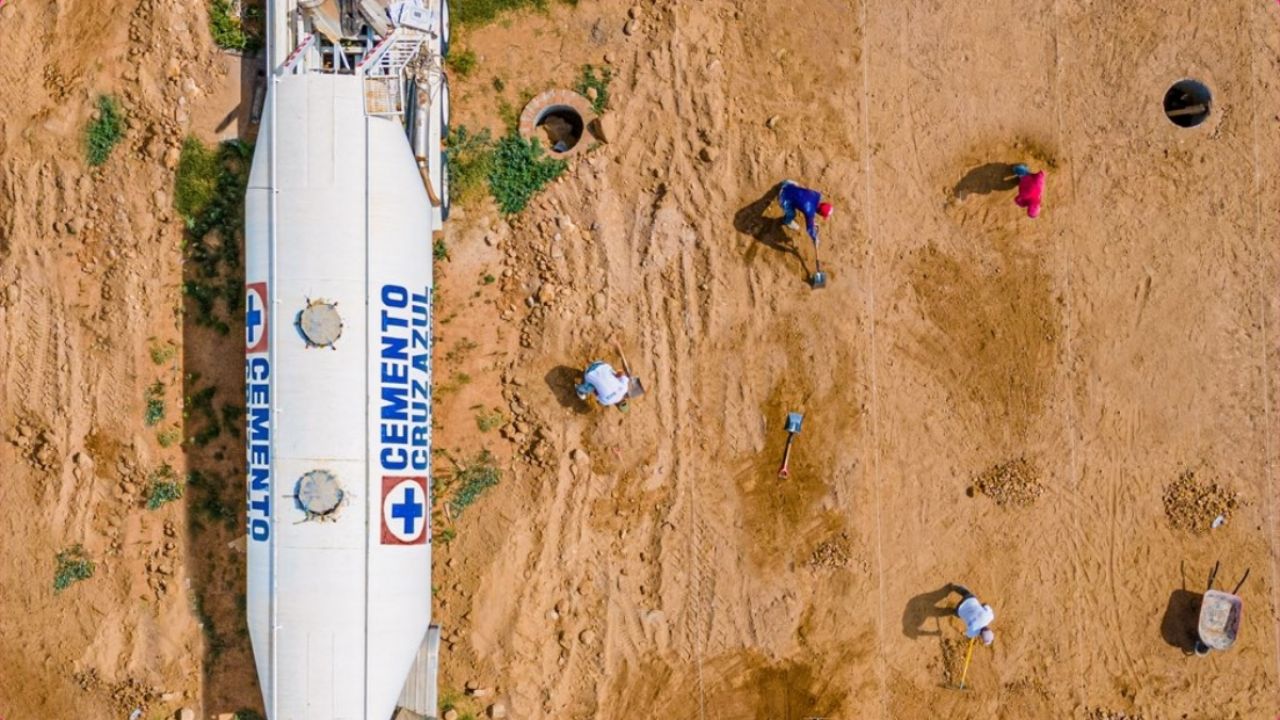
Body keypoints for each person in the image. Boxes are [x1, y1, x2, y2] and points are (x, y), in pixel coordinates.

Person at [778, 180, 834, 246]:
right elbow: (809, 229)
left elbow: (815, 201)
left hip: (787, 185)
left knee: (797, 190)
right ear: (820, 213)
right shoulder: (809, 212)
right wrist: (815, 238)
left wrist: (812, 222)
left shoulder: (816, 195)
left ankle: (785, 182)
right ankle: (787, 221)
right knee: (792, 214)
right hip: (782, 198)